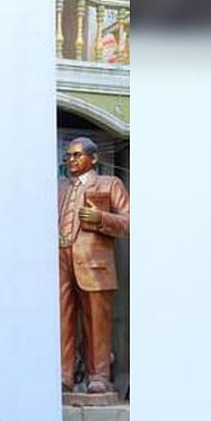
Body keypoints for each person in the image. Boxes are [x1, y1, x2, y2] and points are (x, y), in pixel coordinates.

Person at [57, 136, 130, 394]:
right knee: (62, 319)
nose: (71, 160)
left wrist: (101, 218)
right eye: (68, 156)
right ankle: (64, 375)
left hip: (94, 263)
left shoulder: (110, 184)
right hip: (61, 257)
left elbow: (130, 222)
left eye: (77, 155)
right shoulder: (60, 187)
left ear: (94, 158)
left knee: (96, 321)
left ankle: (98, 376)